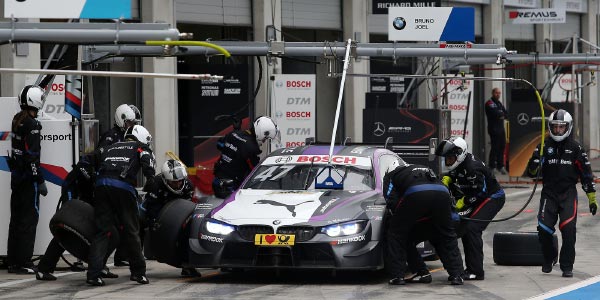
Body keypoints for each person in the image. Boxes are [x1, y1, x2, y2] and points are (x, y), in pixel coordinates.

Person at [526, 109, 597, 278]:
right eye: (555, 127)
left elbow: (586, 174)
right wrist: (536, 161)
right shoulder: (543, 145)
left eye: (561, 127)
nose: (558, 130)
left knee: (569, 229)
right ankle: (550, 257)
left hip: (568, 193)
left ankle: (567, 265)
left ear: (568, 128)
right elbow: (531, 173)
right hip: (548, 193)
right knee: (543, 229)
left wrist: (592, 197)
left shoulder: (576, 148)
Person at [86, 125, 155, 286]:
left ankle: (93, 275)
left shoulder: (110, 147)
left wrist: (90, 179)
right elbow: (147, 161)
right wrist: (150, 178)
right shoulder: (140, 147)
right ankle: (138, 273)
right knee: (131, 231)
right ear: (143, 138)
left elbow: (89, 159)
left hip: (101, 185)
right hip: (123, 187)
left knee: (102, 232)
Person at [383, 160, 464, 286]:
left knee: (396, 233)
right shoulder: (423, 167)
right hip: (442, 193)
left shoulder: (392, 174)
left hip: (416, 193)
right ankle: (457, 275)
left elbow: (390, 199)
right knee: (447, 235)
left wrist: (401, 217)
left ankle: (397, 276)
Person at [436, 136, 505, 281]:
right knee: (462, 227)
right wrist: (447, 180)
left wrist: (464, 201)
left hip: (492, 197)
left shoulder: (472, 168)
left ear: (459, 155)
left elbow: (481, 192)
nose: (447, 162)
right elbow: (453, 176)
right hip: (476, 195)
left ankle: (476, 271)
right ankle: (463, 268)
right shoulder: (458, 164)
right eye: (446, 159)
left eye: (450, 158)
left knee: (472, 228)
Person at [35, 160, 118, 281]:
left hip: (88, 194)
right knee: (67, 227)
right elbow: (82, 168)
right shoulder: (104, 150)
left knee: (101, 229)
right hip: (73, 189)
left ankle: (99, 266)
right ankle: (44, 268)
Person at [6, 85, 48, 275]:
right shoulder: (32, 125)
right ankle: (24, 261)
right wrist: (40, 180)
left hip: (16, 178)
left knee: (16, 220)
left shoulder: (17, 120)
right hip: (28, 181)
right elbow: (32, 156)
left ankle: (14, 261)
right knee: (29, 220)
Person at [143, 159, 201, 277]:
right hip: (156, 212)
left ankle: (187, 265)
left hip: (178, 215)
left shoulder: (188, 185)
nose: (178, 184)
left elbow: (188, 208)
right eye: (174, 182)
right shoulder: (154, 184)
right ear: (165, 179)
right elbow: (151, 209)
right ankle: (135, 265)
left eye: (180, 181)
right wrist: (154, 225)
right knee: (137, 226)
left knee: (188, 231)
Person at [98, 103, 139, 267]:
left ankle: (121, 257)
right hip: (108, 185)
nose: (132, 126)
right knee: (109, 228)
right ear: (121, 120)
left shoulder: (127, 138)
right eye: (129, 123)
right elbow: (101, 157)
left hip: (121, 185)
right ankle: (101, 262)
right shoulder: (111, 136)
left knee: (123, 224)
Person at [212, 116, 279, 199]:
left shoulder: (234, 134)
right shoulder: (252, 147)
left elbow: (220, 145)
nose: (264, 141)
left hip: (217, 181)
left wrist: (236, 132)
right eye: (265, 138)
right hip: (230, 188)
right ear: (261, 133)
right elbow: (256, 171)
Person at [484, 87, 508, 175]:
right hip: (493, 129)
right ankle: (492, 166)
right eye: (497, 93)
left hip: (501, 129)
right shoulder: (489, 103)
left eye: (499, 93)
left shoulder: (499, 103)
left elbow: (505, 114)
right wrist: (500, 114)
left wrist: (501, 114)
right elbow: (495, 114)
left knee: (502, 146)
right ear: (493, 93)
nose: (498, 95)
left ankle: (500, 165)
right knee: (495, 147)